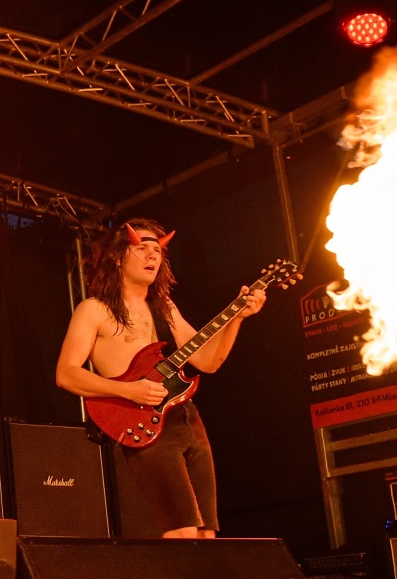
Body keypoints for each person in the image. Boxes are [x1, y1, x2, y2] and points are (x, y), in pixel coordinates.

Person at [54, 218, 266, 538]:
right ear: (118, 257)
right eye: (142, 248)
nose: (152, 255)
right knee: (183, 533)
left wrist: (238, 317)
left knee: (207, 534)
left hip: (187, 419)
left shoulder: (164, 307)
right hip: (144, 423)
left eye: (157, 250)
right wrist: (129, 391)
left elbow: (208, 362)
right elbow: (66, 374)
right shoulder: (94, 310)